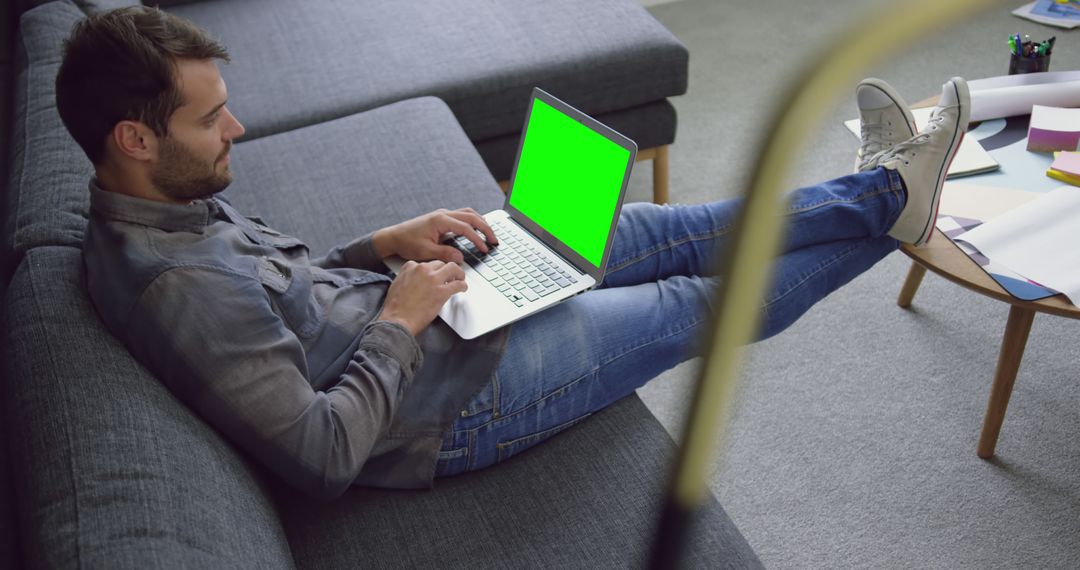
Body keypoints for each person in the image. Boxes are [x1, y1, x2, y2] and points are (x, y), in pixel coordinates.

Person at [57, 7, 969, 499]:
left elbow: (286, 297)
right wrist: (403, 320)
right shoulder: (174, 287)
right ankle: (895, 205)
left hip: (428, 317)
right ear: (135, 139)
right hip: (443, 407)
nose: (237, 129)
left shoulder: (163, 202)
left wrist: (379, 248)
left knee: (658, 230)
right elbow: (321, 455)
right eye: (211, 119)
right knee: (687, 301)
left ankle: (882, 191)